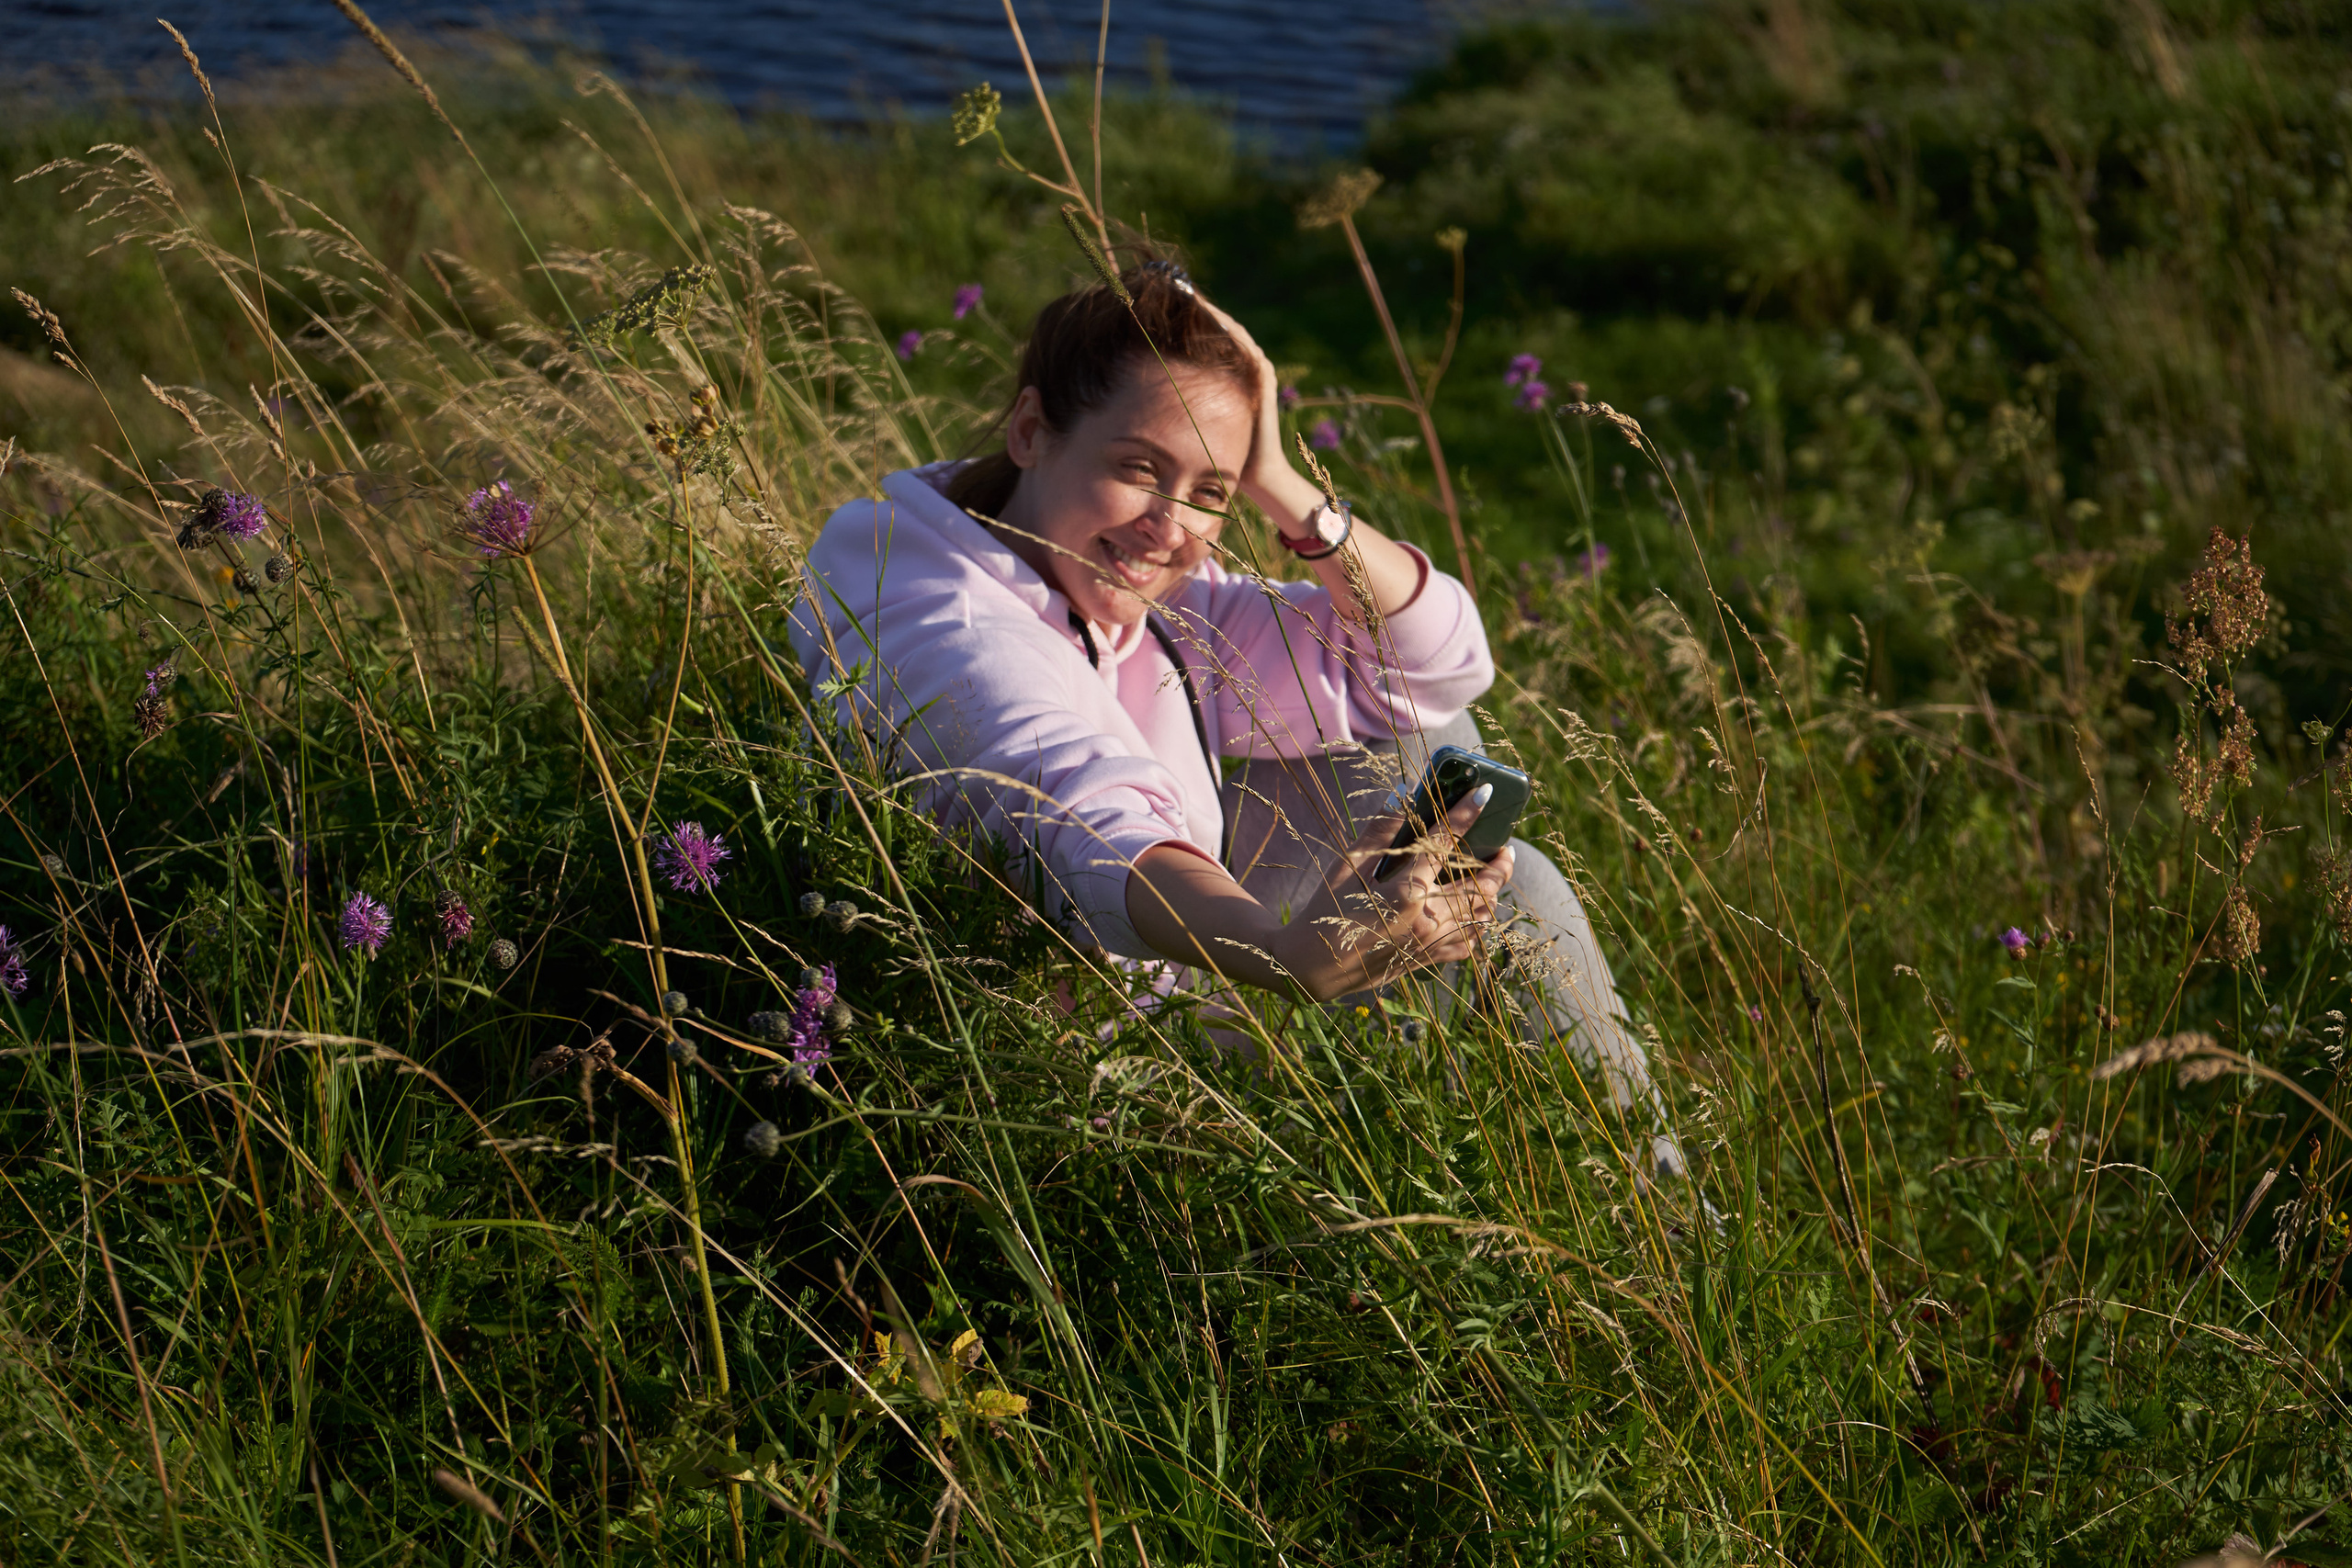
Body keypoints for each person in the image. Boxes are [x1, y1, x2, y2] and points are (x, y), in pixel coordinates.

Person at [791, 259, 1679, 1176]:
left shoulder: (1117, 586)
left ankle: (1520, 1155)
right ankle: (1652, 1234)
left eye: (1208, 493)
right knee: (1516, 890)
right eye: (1139, 469)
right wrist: (1292, 954)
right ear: (1030, 430)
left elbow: (1438, 665)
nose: (1168, 527)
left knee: (1431, 750)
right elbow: (1089, 819)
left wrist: (1278, 479)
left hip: (1163, 969)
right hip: (1070, 1065)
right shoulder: (944, 622)